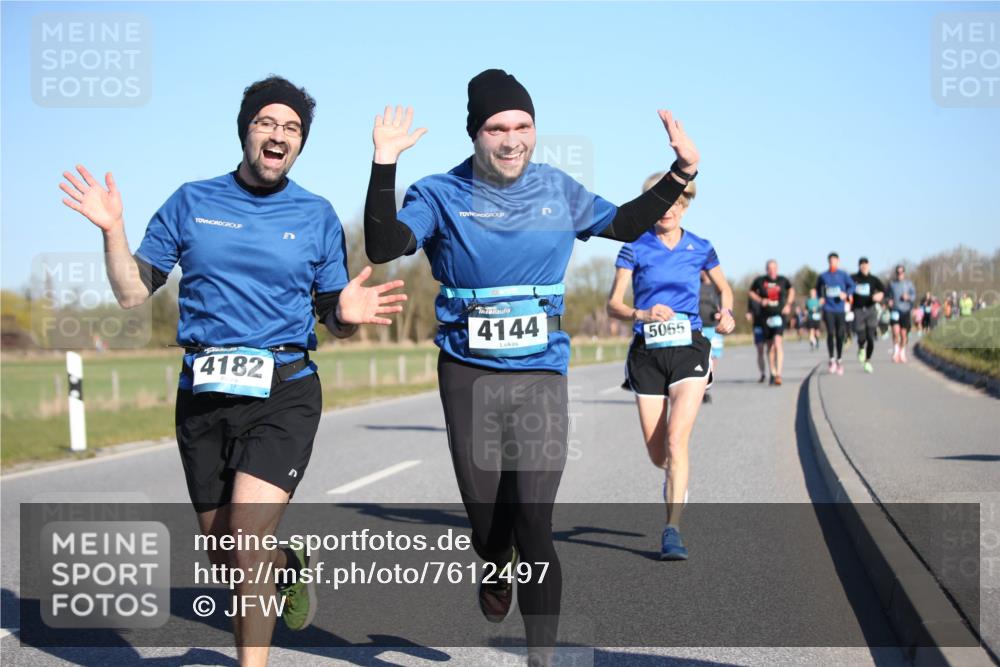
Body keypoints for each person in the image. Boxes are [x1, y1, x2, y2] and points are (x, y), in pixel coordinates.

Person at [60, 76, 407, 666]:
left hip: (284, 392)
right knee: (227, 554)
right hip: (203, 395)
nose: (279, 134)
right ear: (246, 131)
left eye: (292, 128)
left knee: (246, 542)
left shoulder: (317, 214)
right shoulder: (192, 201)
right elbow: (131, 293)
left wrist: (345, 315)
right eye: (267, 122)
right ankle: (287, 565)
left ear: (300, 144)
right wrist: (113, 231)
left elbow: (333, 313)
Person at [362, 69, 700, 665]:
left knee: (534, 521)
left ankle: (541, 656)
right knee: (488, 522)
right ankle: (495, 563)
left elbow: (624, 223)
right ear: (475, 133)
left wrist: (682, 171)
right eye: (497, 128)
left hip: (541, 373)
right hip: (468, 372)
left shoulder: (557, 190)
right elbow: (384, 245)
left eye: (522, 125)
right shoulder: (438, 193)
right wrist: (384, 162)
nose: (512, 138)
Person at [607, 178, 733, 560]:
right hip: (647, 353)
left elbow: (724, 289)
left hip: (688, 348)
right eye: (661, 204)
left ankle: (672, 530)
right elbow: (613, 304)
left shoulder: (701, 247)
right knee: (658, 454)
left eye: (675, 203)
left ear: (685, 206)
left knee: (677, 441)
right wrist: (641, 313)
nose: (668, 210)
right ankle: (675, 475)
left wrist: (727, 313)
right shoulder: (634, 246)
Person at [748, 260, 794, 385]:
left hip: (779, 316)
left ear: (777, 268)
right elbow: (751, 292)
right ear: (766, 269)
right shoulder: (761, 281)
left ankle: (778, 374)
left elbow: (791, 290)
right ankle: (772, 372)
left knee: (778, 343)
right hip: (765, 317)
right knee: (770, 346)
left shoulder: (783, 280)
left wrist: (788, 304)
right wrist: (760, 300)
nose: (772, 270)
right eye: (769, 268)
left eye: (774, 268)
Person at [815, 252, 855, 375]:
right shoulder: (823, 276)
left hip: (840, 309)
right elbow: (818, 288)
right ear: (828, 262)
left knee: (840, 334)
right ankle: (831, 359)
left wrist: (846, 294)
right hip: (828, 308)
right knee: (830, 333)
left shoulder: (843, 275)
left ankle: (839, 359)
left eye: (834, 261)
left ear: (838, 261)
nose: (832, 263)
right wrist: (820, 297)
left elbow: (852, 286)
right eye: (831, 261)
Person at [850, 257, 885, 374]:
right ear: (859, 266)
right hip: (858, 310)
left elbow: (883, 290)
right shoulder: (853, 278)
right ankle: (861, 348)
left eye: (866, 264)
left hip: (871, 310)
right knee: (862, 337)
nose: (864, 266)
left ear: (869, 266)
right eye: (862, 264)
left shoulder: (873, 279)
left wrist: (880, 295)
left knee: (870, 338)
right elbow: (846, 289)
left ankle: (868, 361)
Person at [698, 270, 726, 403]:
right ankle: (701, 389)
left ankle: (706, 386)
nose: (703, 272)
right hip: (698, 326)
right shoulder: (695, 284)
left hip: (713, 327)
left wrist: (721, 314)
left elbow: (724, 305)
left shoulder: (716, 287)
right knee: (699, 358)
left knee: (713, 357)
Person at [888, 264, 917, 363]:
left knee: (903, 335)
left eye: (901, 272)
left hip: (905, 311)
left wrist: (908, 297)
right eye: (898, 272)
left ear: (904, 273)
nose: (899, 274)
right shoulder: (892, 284)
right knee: (895, 332)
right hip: (895, 310)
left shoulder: (909, 284)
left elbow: (914, 296)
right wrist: (889, 301)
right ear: (896, 273)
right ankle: (896, 352)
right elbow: (887, 295)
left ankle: (902, 352)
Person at [747, 295, 767, 381]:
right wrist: (749, 314)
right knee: (760, 349)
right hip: (758, 325)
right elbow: (749, 310)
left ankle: (775, 372)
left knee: (772, 348)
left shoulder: (767, 292)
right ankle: (763, 373)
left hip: (769, 324)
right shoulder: (751, 297)